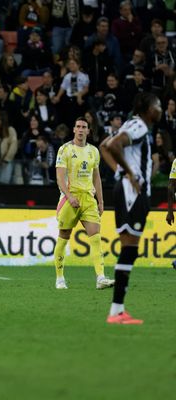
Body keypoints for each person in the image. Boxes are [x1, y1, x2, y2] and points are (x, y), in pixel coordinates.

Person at [101, 92, 162, 324]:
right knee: (130, 247)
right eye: (157, 105)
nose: (160, 108)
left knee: (129, 247)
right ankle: (116, 312)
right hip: (133, 193)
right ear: (148, 109)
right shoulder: (139, 126)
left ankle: (117, 310)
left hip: (126, 189)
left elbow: (104, 146)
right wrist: (129, 173)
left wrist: (119, 172)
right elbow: (114, 145)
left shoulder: (130, 124)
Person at [54, 117, 113, 290]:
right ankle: (59, 278)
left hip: (88, 199)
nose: (80, 129)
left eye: (84, 127)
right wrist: (69, 196)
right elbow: (59, 177)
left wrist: (100, 201)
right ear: (74, 130)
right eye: (78, 126)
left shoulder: (94, 151)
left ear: (88, 131)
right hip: (69, 199)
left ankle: (100, 278)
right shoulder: (65, 149)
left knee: (95, 236)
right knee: (63, 236)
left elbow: (96, 177)